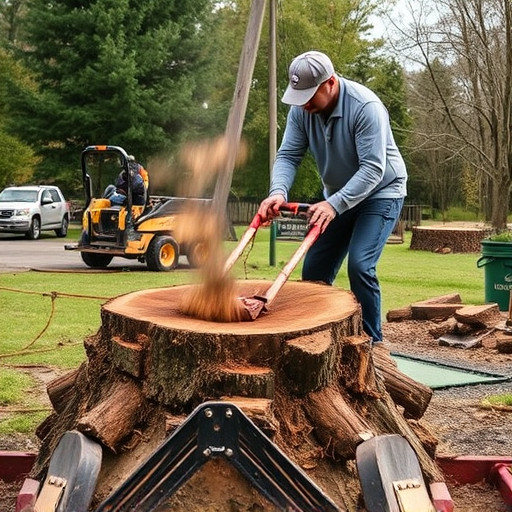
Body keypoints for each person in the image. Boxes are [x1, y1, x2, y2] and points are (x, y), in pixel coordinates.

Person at [257, 50, 407, 344]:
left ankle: (372, 346)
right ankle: (316, 341)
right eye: (300, 96)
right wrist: (277, 192)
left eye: (311, 95)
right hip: (338, 197)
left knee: (361, 266)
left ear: (330, 83)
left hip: (380, 193)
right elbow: (288, 155)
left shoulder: (366, 107)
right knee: (314, 270)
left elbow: (372, 169)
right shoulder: (302, 110)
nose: (305, 103)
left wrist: (334, 204)